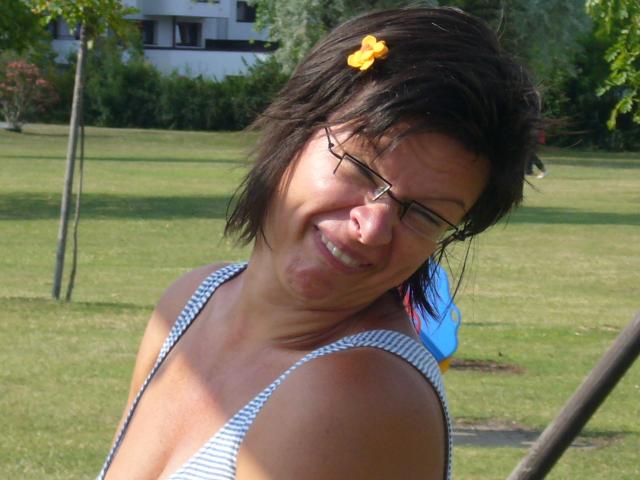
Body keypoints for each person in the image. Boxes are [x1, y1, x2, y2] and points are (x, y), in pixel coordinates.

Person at [98, 7, 539, 480]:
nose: (372, 228)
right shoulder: (189, 302)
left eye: (426, 214)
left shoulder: (353, 395)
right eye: (359, 168)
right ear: (296, 127)